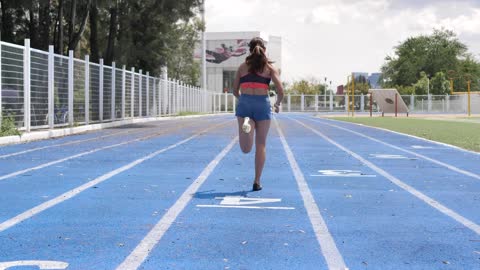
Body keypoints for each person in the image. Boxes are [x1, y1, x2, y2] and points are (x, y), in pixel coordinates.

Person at [233, 37, 284, 191]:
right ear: (264, 50)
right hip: (262, 104)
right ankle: (257, 181)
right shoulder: (269, 68)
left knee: (245, 149)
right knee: (261, 144)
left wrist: (244, 100)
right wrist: (277, 103)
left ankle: (247, 122)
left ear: (250, 50)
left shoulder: (242, 67)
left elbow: (235, 90)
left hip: (245, 104)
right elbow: (281, 91)